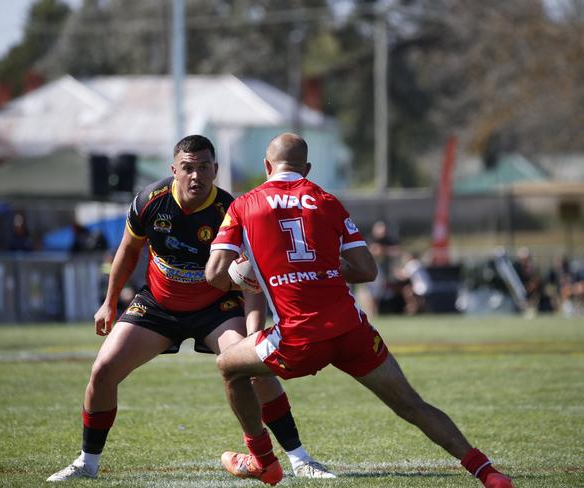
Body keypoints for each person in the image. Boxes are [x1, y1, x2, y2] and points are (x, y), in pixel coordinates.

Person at [205, 133, 514, 487]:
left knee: (228, 366)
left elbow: (215, 275)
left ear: (266, 166)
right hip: (351, 330)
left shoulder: (244, 204)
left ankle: (263, 461)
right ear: (306, 168)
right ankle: (486, 472)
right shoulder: (327, 201)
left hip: (299, 337)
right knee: (411, 404)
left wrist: (253, 277)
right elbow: (367, 269)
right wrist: (322, 270)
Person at [46, 135, 333, 482]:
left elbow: (250, 277)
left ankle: (300, 459)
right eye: (188, 168)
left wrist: (255, 330)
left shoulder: (233, 210)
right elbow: (127, 252)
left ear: (215, 170)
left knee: (256, 369)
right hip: (157, 306)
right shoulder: (150, 201)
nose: (196, 176)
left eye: (203, 168)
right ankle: (86, 463)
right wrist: (109, 303)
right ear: (174, 170)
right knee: (103, 370)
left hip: (217, 309)